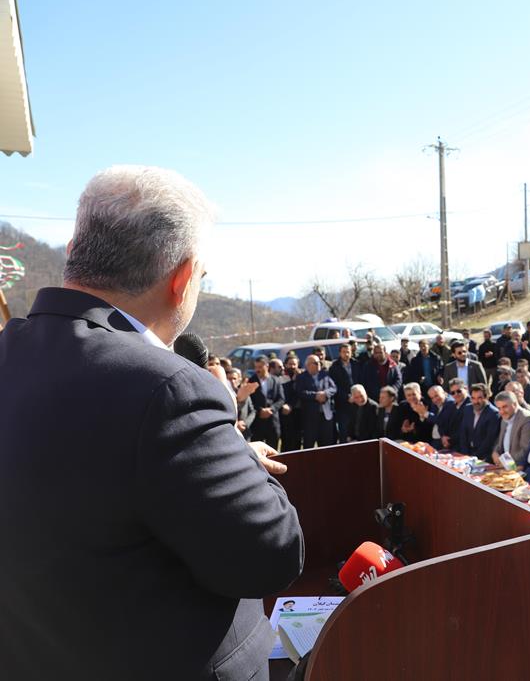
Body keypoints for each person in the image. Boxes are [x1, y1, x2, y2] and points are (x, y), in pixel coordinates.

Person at [0, 165, 303, 679]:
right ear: (183, 277)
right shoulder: (169, 389)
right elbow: (272, 555)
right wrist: (229, 438)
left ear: (74, 249)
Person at [295, 354, 337, 448]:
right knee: (309, 445)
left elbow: (333, 388)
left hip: (325, 415)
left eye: (319, 362)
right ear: (308, 365)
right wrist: (315, 396)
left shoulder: (325, 375)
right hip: (310, 417)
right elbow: (300, 392)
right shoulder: (301, 377)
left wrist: (325, 393)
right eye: (316, 363)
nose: (319, 364)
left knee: (326, 445)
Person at [491, 391, 530, 467]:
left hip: (521, 467)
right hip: (505, 466)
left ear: (515, 404)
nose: (501, 412)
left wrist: (505, 461)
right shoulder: (505, 418)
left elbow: (526, 450)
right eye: (499, 408)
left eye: (505, 407)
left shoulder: (528, 419)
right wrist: (495, 453)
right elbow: (500, 443)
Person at [249, 354, 286, 447]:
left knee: (273, 450)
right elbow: (249, 400)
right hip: (257, 423)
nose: (257, 370)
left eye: (260, 367)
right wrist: (260, 410)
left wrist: (271, 409)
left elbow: (281, 399)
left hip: (273, 422)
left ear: (267, 366)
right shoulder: (251, 381)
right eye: (256, 367)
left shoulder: (275, 381)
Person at [457, 383, 501, 457]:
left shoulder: (494, 414)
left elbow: (489, 440)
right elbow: (463, 433)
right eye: (473, 398)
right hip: (467, 454)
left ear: (486, 397)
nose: (476, 401)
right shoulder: (468, 409)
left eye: (479, 398)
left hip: (484, 456)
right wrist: (465, 454)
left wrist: (475, 457)